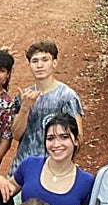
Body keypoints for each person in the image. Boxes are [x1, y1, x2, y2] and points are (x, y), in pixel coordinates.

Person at [8, 113, 95, 205]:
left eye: (64, 137)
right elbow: (4, 191)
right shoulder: (30, 165)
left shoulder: (86, 181)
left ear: (76, 140)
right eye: (50, 138)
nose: (56, 144)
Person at [8, 41, 84, 174]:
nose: (40, 65)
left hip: (52, 171)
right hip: (21, 169)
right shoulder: (24, 96)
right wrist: (25, 108)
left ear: (54, 63)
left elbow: (77, 137)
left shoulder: (66, 96)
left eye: (45, 60)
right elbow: (16, 134)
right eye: (35, 61)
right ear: (29, 65)